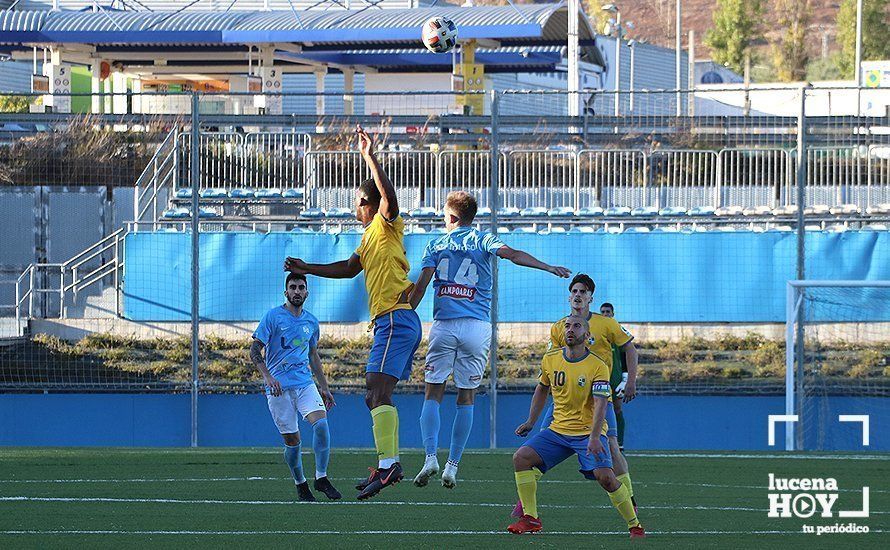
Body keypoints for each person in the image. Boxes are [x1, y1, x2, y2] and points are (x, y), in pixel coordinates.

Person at [284, 125, 422, 500]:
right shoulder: (367, 238)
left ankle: (390, 465)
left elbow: (389, 195)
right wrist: (307, 267)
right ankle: (388, 464)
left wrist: (369, 155)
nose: (353, 206)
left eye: (357, 200)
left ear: (369, 203)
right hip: (392, 320)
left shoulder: (386, 222)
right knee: (375, 394)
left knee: (375, 388)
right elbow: (348, 268)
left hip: (395, 316)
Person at [407, 191, 570, 489]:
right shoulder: (484, 239)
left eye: (445, 215)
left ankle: (430, 456)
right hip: (477, 328)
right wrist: (547, 267)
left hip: (443, 325)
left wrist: (402, 313)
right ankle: (453, 466)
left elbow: (420, 286)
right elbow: (512, 254)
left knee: (433, 394)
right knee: (465, 397)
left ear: (452, 217)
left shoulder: (435, 244)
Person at [508, 315, 644, 538]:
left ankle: (634, 524)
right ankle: (531, 518)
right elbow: (542, 388)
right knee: (521, 457)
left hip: (588, 434)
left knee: (606, 479)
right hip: (558, 431)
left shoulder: (598, 366)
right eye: (567, 326)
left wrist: (593, 437)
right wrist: (531, 421)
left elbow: (601, 404)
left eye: (577, 326)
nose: (570, 329)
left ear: (587, 335)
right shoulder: (550, 359)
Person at [517, 274, 639, 516]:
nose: (578, 295)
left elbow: (629, 348)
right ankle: (524, 506)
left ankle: (630, 499)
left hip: (597, 400)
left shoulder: (607, 324)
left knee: (612, 447)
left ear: (591, 298)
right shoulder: (560, 326)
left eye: (583, 292)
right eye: (574, 291)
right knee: (540, 444)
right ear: (569, 296)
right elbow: (552, 363)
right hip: (565, 398)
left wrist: (632, 381)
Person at [250, 272, 340, 502]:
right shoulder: (273, 317)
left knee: (321, 425)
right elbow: (254, 350)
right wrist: (268, 377)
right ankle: (301, 485)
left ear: (307, 292)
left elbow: (313, 354)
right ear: (286, 292)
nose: (297, 291)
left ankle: (321, 477)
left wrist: (325, 387)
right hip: (279, 389)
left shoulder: (311, 322)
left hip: (304, 384)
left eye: (301, 287)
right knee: (293, 441)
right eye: (293, 287)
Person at [600, 302, 629, 450]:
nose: (605, 314)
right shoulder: (596, 331)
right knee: (597, 410)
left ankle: (620, 443)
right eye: (603, 312)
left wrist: (625, 379)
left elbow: (626, 355)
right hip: (599, 378)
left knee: (617, 409)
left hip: (616, 379)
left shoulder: (618, 331)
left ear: (613, 314)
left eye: (608, 312)